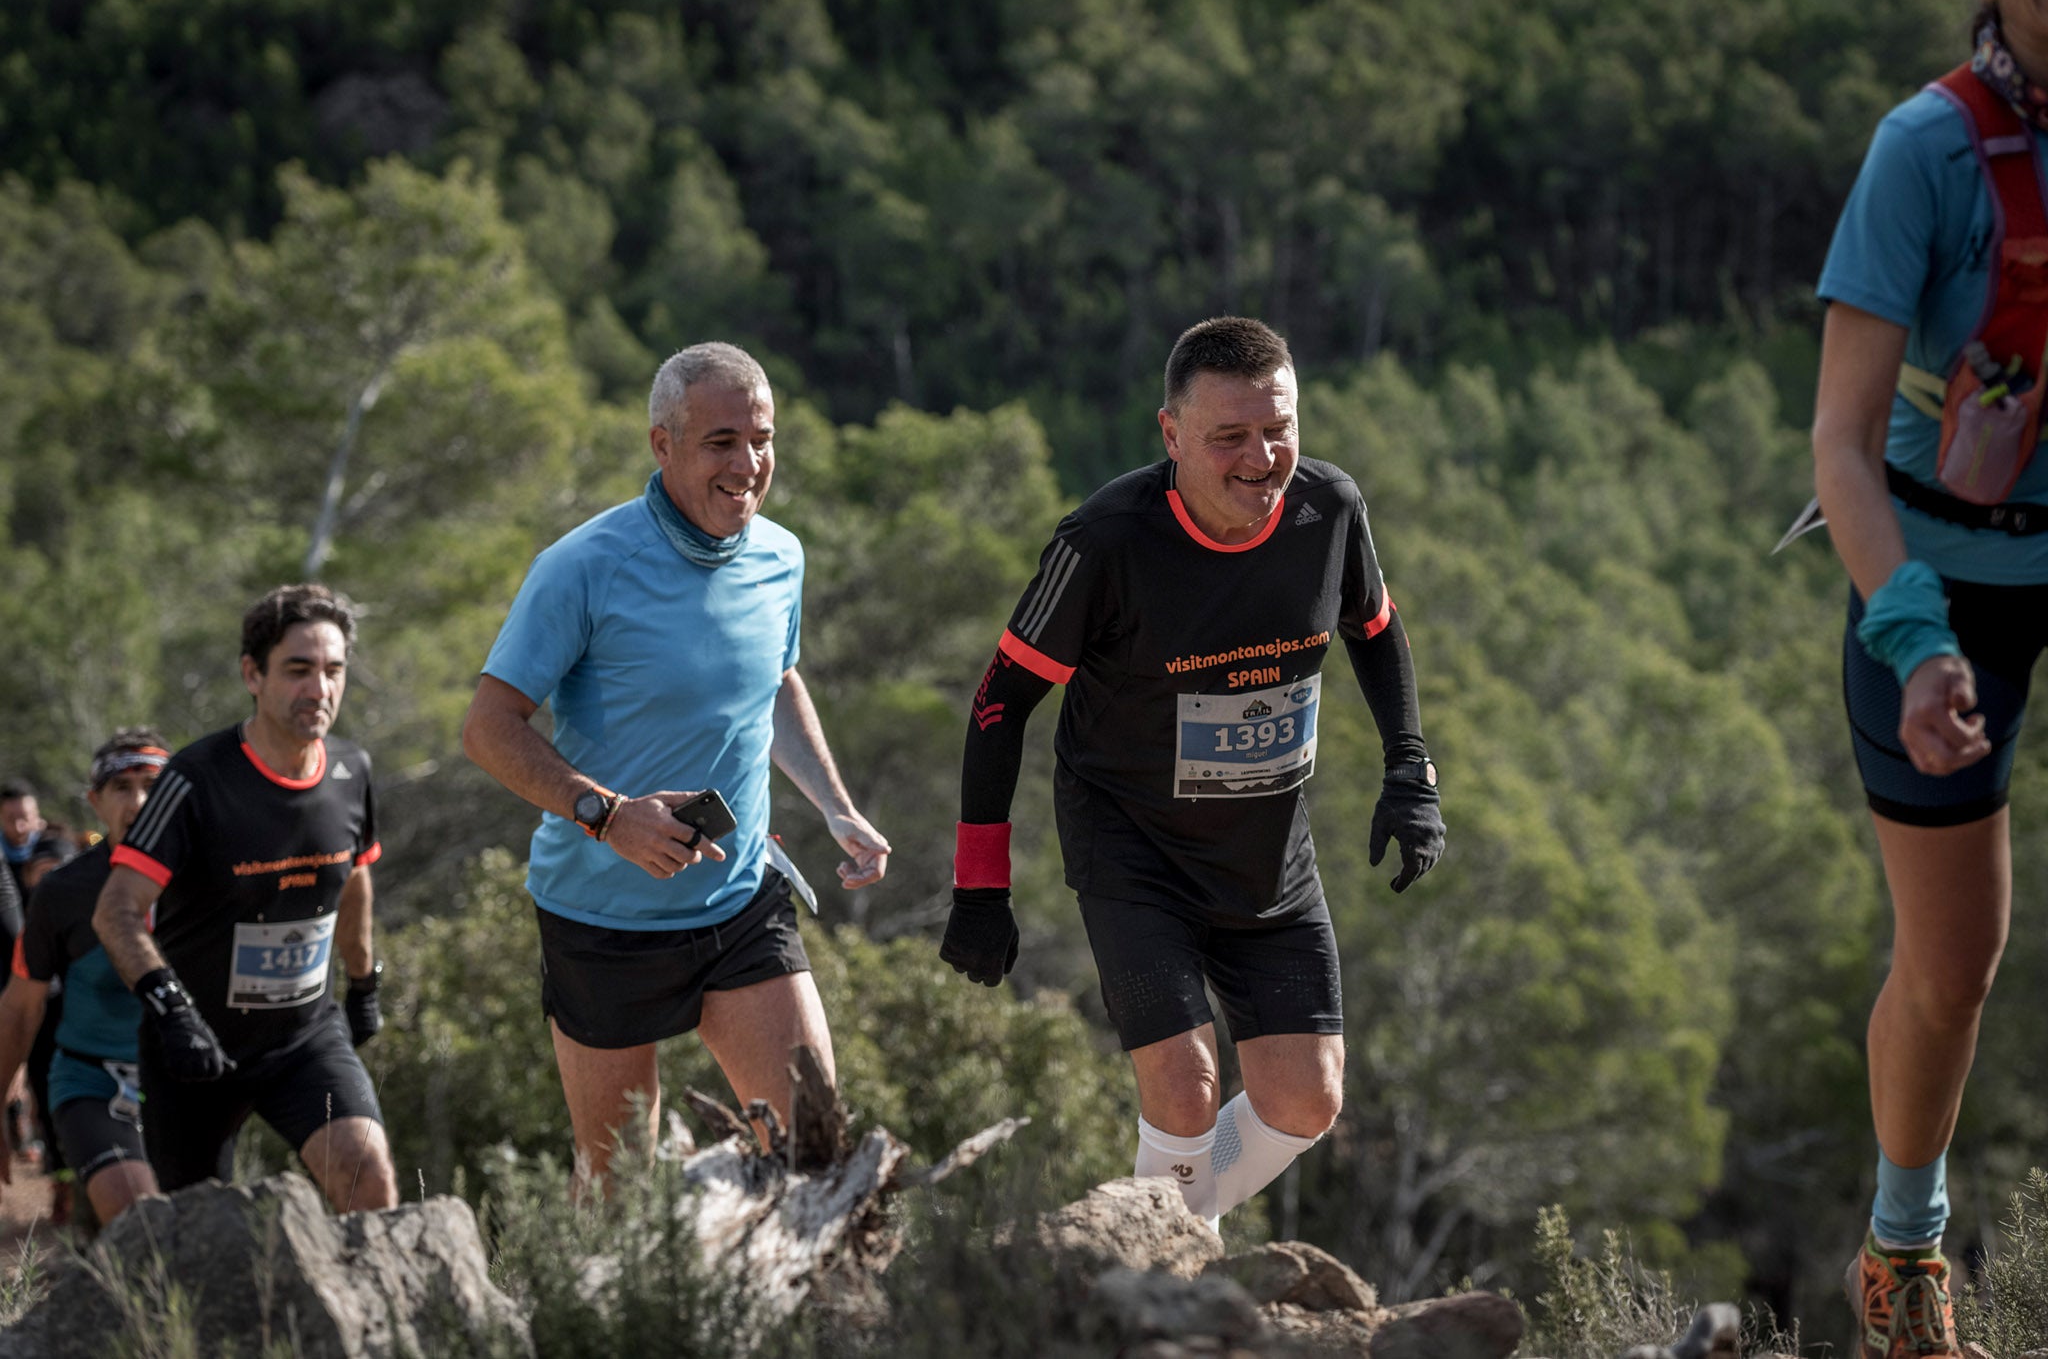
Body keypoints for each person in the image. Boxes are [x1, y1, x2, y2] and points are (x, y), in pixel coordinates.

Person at [943, 316, 1446, 1231]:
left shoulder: (1327, 509)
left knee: (1308, 1101)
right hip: (1133, 848)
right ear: (1171, 435)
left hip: (1266, 856)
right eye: (1230, 437)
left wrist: (1410, 768)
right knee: (1185, 1090)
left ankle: (1163, 1227)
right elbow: (997, 702)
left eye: (1279, 428)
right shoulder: (1106, 544)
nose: (1262, 457)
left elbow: (1374, 631)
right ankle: (1160, 1271)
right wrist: (981, 885)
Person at [462, 341, 890, 1189]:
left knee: (815, 1152)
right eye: (720, 442)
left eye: (762, 439)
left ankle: (807, 1320)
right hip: (601, 920)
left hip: (738, 903)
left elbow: (773, 681)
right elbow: (488, 729)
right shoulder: (582, 567)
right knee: (621, 1191)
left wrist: (834, 806)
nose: (749, 464)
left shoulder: (781, 556)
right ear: (662, 445)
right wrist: (608, 814)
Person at [1813, 0, 2048, 1355]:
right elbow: (1842, 446)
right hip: (1942, 587)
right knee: (1954, 966)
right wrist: (1916, 638)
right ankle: (1906, 1255)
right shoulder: (1928, 151)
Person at [93, 585, 396, 1212]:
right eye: (298, 669)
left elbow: (356, 878)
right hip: (196, 1048)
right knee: (194, 1237)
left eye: (333, 670)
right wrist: (171, 1010)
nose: (319, 689)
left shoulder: (351, 771)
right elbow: (117, 910)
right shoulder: (194, 779)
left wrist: (365, 984)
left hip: (302, 1040)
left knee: (369, 1180)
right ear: (252, 674)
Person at [0, 729, 169, 1228]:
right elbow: (19, 1007)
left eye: (152, 785)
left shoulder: (210, 880)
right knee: (136, 1213)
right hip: (94, 1077)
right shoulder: (64, 890)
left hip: (185, 1082)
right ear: (96, 801)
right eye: (122, 787)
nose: (138, 801)